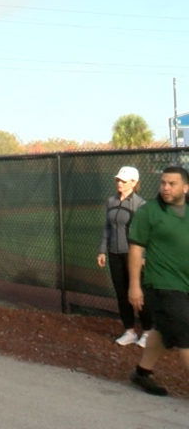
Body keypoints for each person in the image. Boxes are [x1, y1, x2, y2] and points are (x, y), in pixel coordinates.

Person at [127, 165, 189, 396]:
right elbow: (135, 249)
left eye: (172, 183)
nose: (165, 187)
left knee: (162, 330)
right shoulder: (149, 211)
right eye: (163, 183)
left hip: (185, 283)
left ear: (186, 187)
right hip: (162, 284)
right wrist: (134, 286)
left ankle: (142, 373)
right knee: (185, 331)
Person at [97, 166, 152, 347]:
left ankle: (148, 331)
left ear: (134, 183)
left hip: (133, 256)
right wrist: (102, 250)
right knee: (121, 294)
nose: (119, 183)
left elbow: (145, 233)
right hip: (114, 254)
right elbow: (107, 227)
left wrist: (142, 255)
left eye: (124, 180)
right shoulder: (111, 201)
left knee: (137, 294)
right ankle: (129, 331)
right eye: (118, 180)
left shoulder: (140, 204)